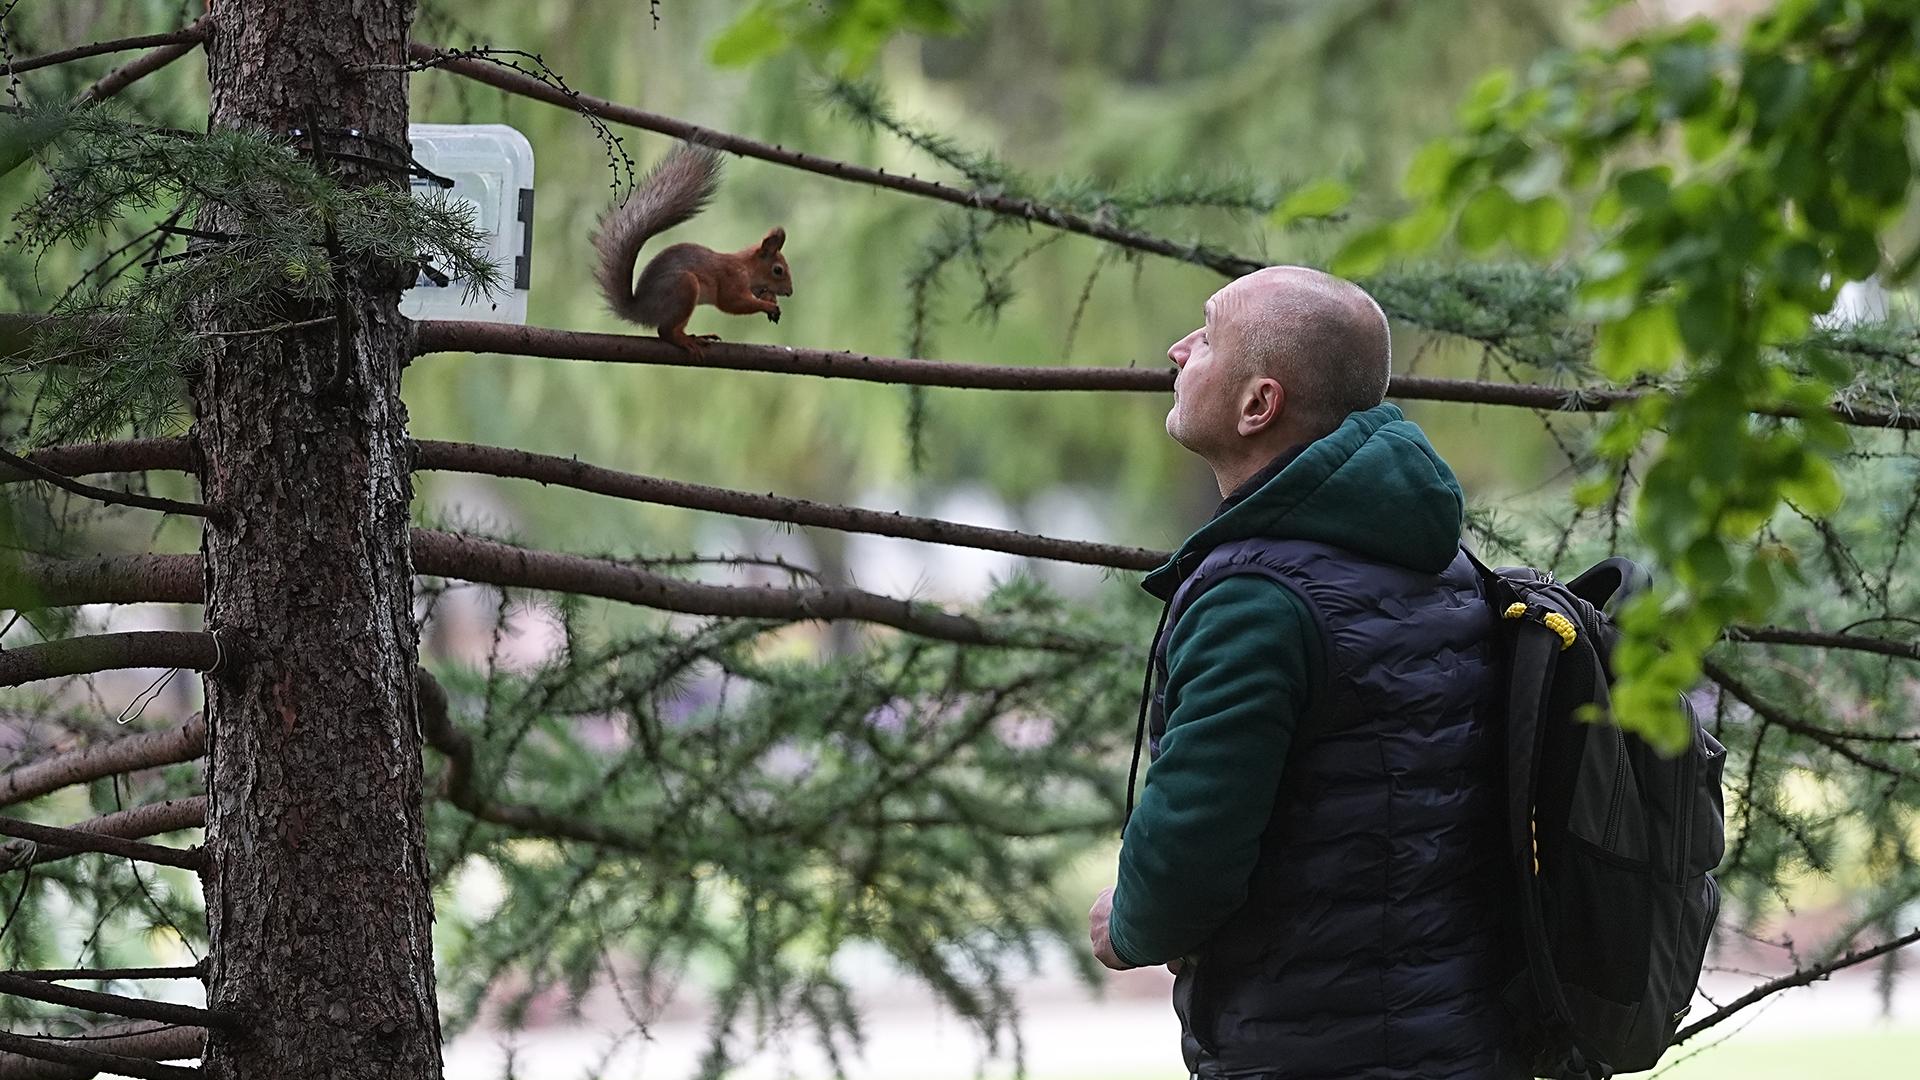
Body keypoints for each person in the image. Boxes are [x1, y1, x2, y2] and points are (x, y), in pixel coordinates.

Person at [1088, 266, 1520, 1079]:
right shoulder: (1444, 564)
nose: (1178, 349)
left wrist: (1130, 924)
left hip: (1314, 1048)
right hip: (1458, 1040)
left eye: (1207, 336)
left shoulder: (1255, 600)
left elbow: (1191, 849)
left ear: (1258, 405)